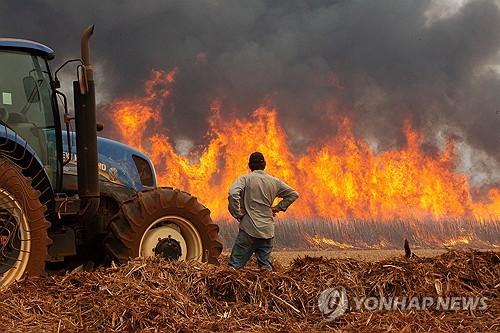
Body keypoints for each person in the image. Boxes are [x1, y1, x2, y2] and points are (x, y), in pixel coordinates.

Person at [227, 152, 299, 270]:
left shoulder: (245, 179)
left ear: (249, 165)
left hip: (249, 229)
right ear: (264, 165)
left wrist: (237, 213)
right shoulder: (274, 181)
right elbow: (294, 194)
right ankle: (268, 287)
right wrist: (277, 208)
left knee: (234, 267)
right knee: (265, 269)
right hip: (267, 231)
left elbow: (233, 193)